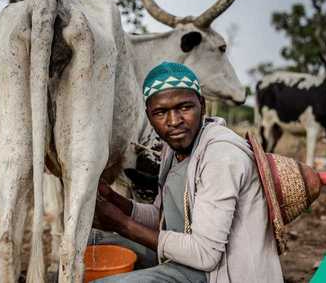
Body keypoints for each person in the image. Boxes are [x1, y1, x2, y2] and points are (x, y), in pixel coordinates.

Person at [92, 62, 283, 282]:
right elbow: (163, 216)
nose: (174, 122)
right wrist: (114, 200)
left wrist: (123, 225)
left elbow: (205, 255)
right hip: (186, 259)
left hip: (219, 274)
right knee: (91, 241)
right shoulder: (174, 150)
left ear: (202, 105)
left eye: (184, 107)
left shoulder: (222, 156)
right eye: (161, 112)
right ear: (149, 115)